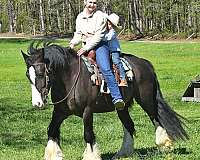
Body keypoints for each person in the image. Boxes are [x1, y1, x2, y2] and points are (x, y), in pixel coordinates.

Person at [69, 0, 125, 110]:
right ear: (85, 2)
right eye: (90, 2)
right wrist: (72, 43)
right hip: (86, 44)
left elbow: (99, 36)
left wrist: (85, 47)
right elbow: (78, 34)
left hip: (100, 45)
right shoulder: (80, 17)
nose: (92, 5)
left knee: (105, 68)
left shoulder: (100, 16)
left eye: (95, 3)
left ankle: (117, 97)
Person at [105, 13, 128, 87]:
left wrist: (97, 37)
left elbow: (108, 38)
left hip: (114, 50)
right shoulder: (104, 31)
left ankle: (123, 78)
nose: (109, 26)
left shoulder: (113, 31)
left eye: (111, 25)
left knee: (116, 61)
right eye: (108, 24)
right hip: (106, 50)